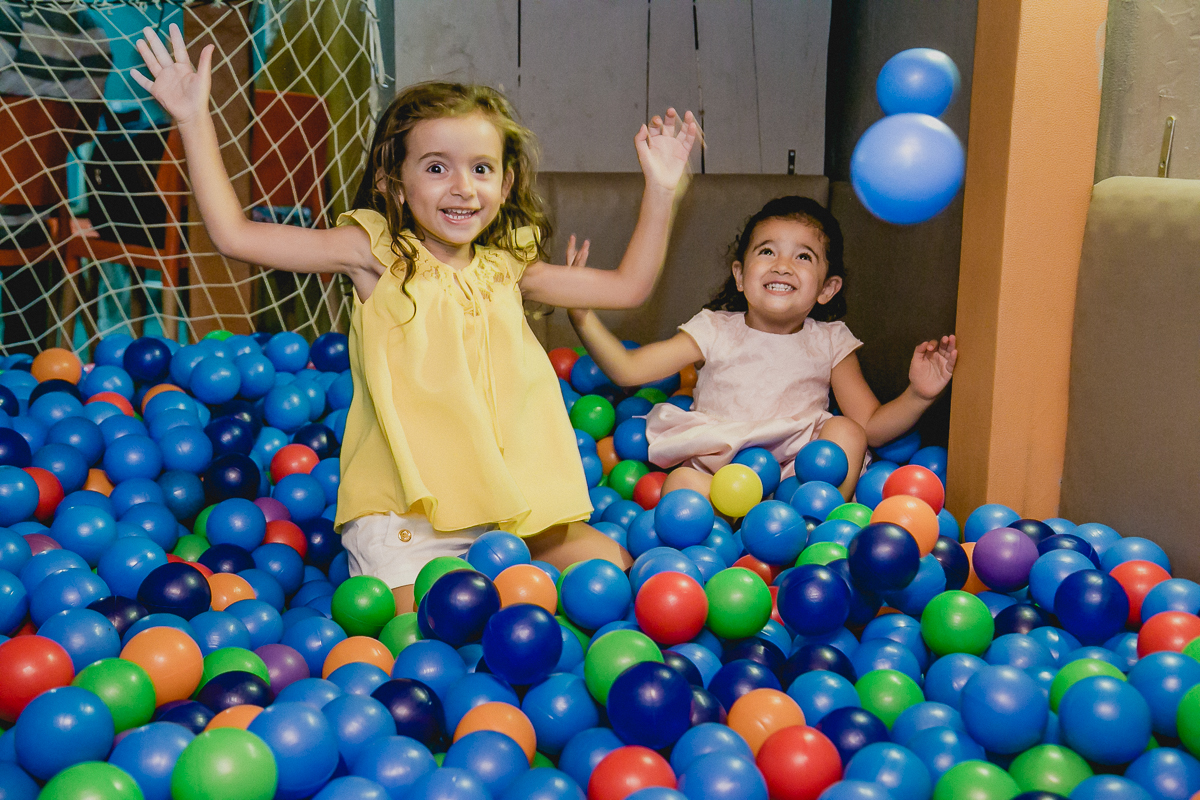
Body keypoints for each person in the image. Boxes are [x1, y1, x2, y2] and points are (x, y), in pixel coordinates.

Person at [131, 25, 699, 609]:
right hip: (408, 519)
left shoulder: (505, 268)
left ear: (505, 184)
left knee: (621, 574)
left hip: (505, 512)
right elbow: (235, 235)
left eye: (481, 169)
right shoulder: (376, 254)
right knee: (438, 631)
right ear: (393, 182)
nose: (462, 188)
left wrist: (661, 188)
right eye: (435, 168)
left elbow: (629, 287)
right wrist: (194, 120)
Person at [567, 195, 957, 501]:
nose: (783, 265)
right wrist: (582, 314)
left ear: (826, 289)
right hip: (719, 464)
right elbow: (629, 370)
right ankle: (719, 554)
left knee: (847, 432)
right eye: (767, 251)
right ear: (740, 275)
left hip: (798, 469)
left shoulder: (831, 340)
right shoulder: (714, 328)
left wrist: (918, 394)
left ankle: (815, 528)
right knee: (682, 485)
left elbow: (871, 425)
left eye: (803, 256)